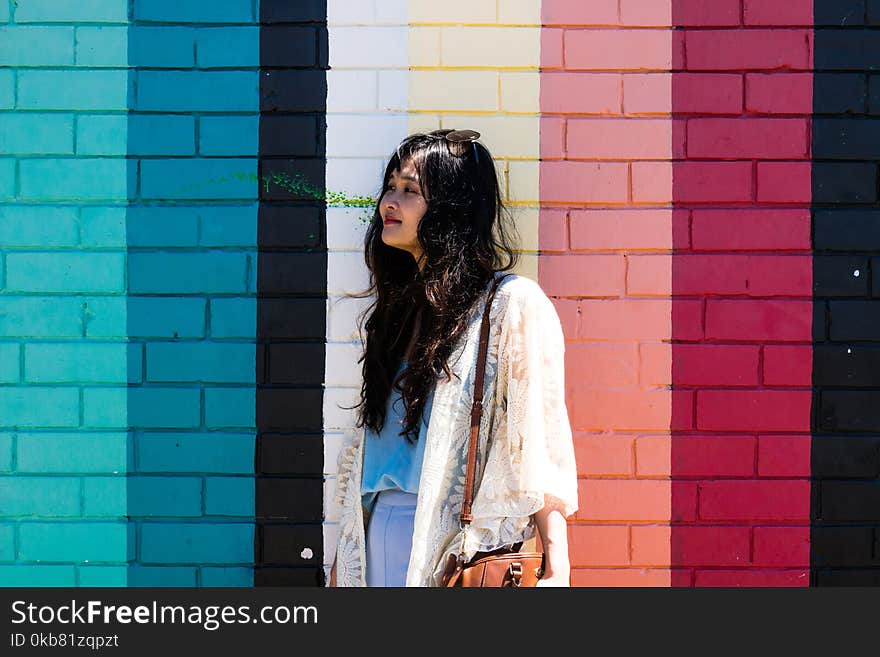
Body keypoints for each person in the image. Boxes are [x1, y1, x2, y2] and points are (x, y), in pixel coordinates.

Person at [328, 129, 579, 587]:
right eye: (390, 187)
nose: (389, 202)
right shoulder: (395, 314)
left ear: (451, 209)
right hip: (375, 533)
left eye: (409, 191)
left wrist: (557, 565)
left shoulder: (509, 306)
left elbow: (538, 443)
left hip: (455, 548)